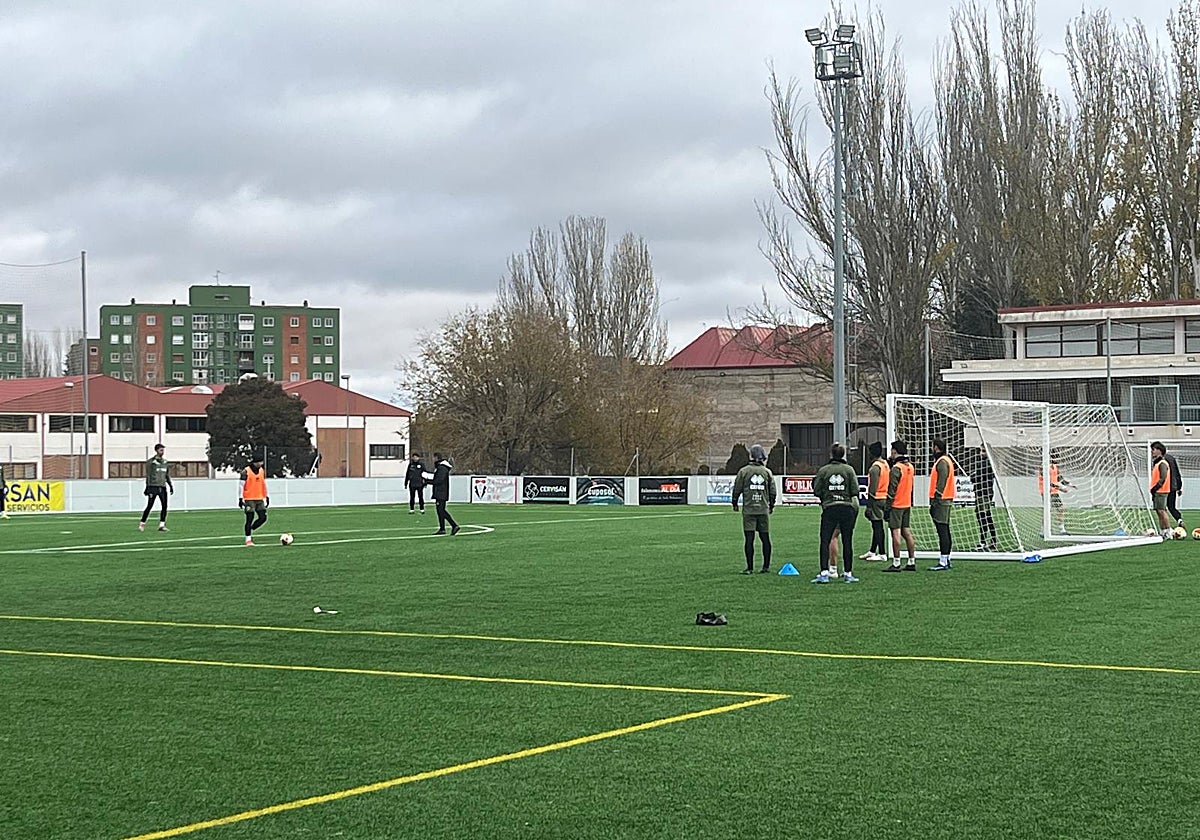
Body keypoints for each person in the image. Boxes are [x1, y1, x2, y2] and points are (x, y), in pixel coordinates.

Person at [812, 442, 860, 583]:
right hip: (846, 508)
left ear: (831, 454)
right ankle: (848, 573)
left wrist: (827, 496)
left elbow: (816, 490)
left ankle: (824, 573)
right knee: (847, 541)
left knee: (825, 540)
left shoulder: (824, 470)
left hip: (830, 508)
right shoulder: (849, 470)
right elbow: (855, 491)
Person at [732, 443, 777, 574]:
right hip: (763, 509)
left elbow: (737, 488)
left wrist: (734, 502)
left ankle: (750, 568)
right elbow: (773, 491)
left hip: (749, 510)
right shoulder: (767, 472)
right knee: (765, 538)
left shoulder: (744, 471)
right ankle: (766, 566)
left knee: (749, 539)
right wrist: (771, 505)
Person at [883, 439, 916, 572]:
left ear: (894, 451)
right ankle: (911, 561)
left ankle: (896, 562)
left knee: (895, 532)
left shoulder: (897, 469)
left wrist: (887, 506)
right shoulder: (910, 466)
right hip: (906, 503)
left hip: (897, 504)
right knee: (906, 531)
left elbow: (892, 490)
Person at [928, 438, 955, 571]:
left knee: (942, 529)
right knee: (944, 529)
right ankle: (946, 559)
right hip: (945, 498)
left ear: (936, 447)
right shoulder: (945, 460)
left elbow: (942, 480)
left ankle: (944, 560)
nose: (931, 449)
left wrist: (936, 498)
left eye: (932, 446)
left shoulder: (942, 462)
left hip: (942, 500)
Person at [861, 441, 890, 562]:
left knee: (877, 525)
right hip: (884, 496)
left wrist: (869, 504)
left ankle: (882, 553)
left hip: (877, 498)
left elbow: (873, 487)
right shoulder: (885, 464)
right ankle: (872, 550)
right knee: (876, 525)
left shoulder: (875, 468)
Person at [139, 443, 174, 532]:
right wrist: (147, 487)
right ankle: (142, 523)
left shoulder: (165, 462)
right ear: (157, 450)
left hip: (162, 487)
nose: (162, 452)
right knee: (150, 505)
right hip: (153, 486)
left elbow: (167, 475)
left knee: (164, 506)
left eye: (163, 450)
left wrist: (170, 485)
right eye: (161, 450)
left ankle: (162, 525)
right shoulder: (151, 462)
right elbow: (149, 475)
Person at [424, 453, 460, 535]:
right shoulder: (441, 468)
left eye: (433, 458)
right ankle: (442, 528)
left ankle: (454, 525)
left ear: (436, 458)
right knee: (440, 510)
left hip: (441, 492)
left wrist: (427, 481)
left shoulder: (442, 468)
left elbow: (438, 480)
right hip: (441, 492)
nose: (433, 459)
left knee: (441, 510)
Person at [1038, 455, 1073, 535]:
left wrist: (1069, 484)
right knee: (1047, 511)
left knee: (1060, 508)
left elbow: (1059, 478)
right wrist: (1060, 488)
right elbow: (1048, 482)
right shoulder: (1043, 467)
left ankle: (1062, 530)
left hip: (1054, 492)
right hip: (1046, 492)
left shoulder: (1054, 467)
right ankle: (1043, 531)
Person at [970, 449, 998, 551]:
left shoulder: (987, 463)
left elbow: (980, 475)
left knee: (983, 517)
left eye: (983, 451)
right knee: (985, 516)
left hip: (984, 493)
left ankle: (984, 541)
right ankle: (991, 541)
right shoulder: (984, 463)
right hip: (982, 493)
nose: (981, 453)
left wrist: (973, 477)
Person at [239, 455, 269, 546]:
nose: (261, 464)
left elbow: (263, 484)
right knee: (249, 518)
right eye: (260, 462)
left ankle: (251, 529)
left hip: (259, 498)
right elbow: (241, 486)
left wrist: (266, 496)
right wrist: (240, 498)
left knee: (263, 517)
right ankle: (248, 539)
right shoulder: (245, 472)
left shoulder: (261, 471)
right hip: (249, 499)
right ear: (255, 462)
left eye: (262, 462)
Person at [1150, 441, 1174, 539]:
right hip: (1158, 491)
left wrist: (1156, 487)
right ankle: (1163, 530)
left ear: (1159, 451)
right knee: (1159, 511)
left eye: (1154, 449)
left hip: (1161, 490)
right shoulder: (1157, 463)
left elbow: (1163, 478)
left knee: (1162, 511)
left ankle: (1168, 531)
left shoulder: (1162, 463)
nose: (1152, 451)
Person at [1161, 443, 1184, 529]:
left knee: (1161, 508)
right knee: (1171, 507)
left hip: (1163, 488)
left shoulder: (1160, 460)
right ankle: (1179, 520)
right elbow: (1177, 473)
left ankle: (1167, 528)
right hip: (1173, 487)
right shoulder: (1171, 458)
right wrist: (1179, 486)